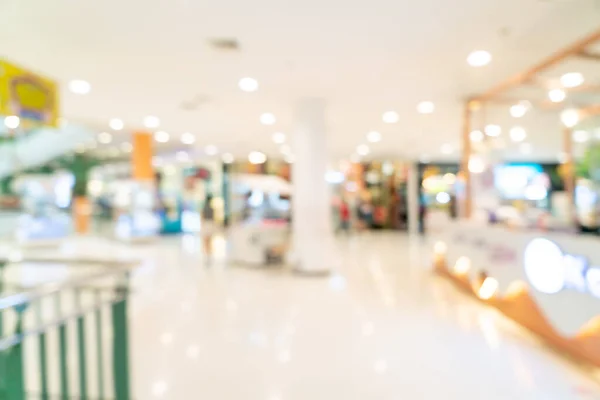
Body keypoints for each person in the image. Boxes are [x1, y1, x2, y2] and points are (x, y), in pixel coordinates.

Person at [201, 194, 216, 262]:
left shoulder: (204, 207)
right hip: (210, 223)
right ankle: (209, 252)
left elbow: (202, 216)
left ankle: (207, 252)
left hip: (206, 223)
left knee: (206, 239)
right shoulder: (211, 208)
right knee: (209, 238)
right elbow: (213, 217)